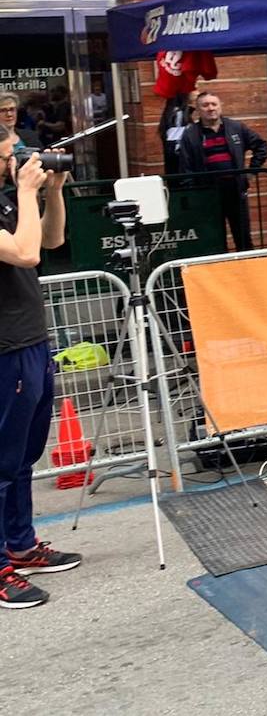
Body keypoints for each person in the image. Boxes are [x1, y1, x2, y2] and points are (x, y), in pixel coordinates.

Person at [0, 124, 81, 609]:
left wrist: (51, 193)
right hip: (3, 349)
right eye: (10, 152)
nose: (19, 159)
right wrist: (29, 191)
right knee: (0, 462)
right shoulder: (14, 198)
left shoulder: (12, 200)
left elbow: (50, 241)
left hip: (30, 341)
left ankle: (21, 544)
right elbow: (23, 253)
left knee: (23, 456)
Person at [176, 91, 267, 251]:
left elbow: (261, 146)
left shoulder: (236, 127)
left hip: (235, 190)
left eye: (214, 104)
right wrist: (193, 194)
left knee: (243, 238)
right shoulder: (190, 135)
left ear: (220, 107)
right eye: (205, 105)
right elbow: (186, 167)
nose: (210, 108)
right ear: (198, 110)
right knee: (214, 240)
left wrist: (251, 172)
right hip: (208, 194)